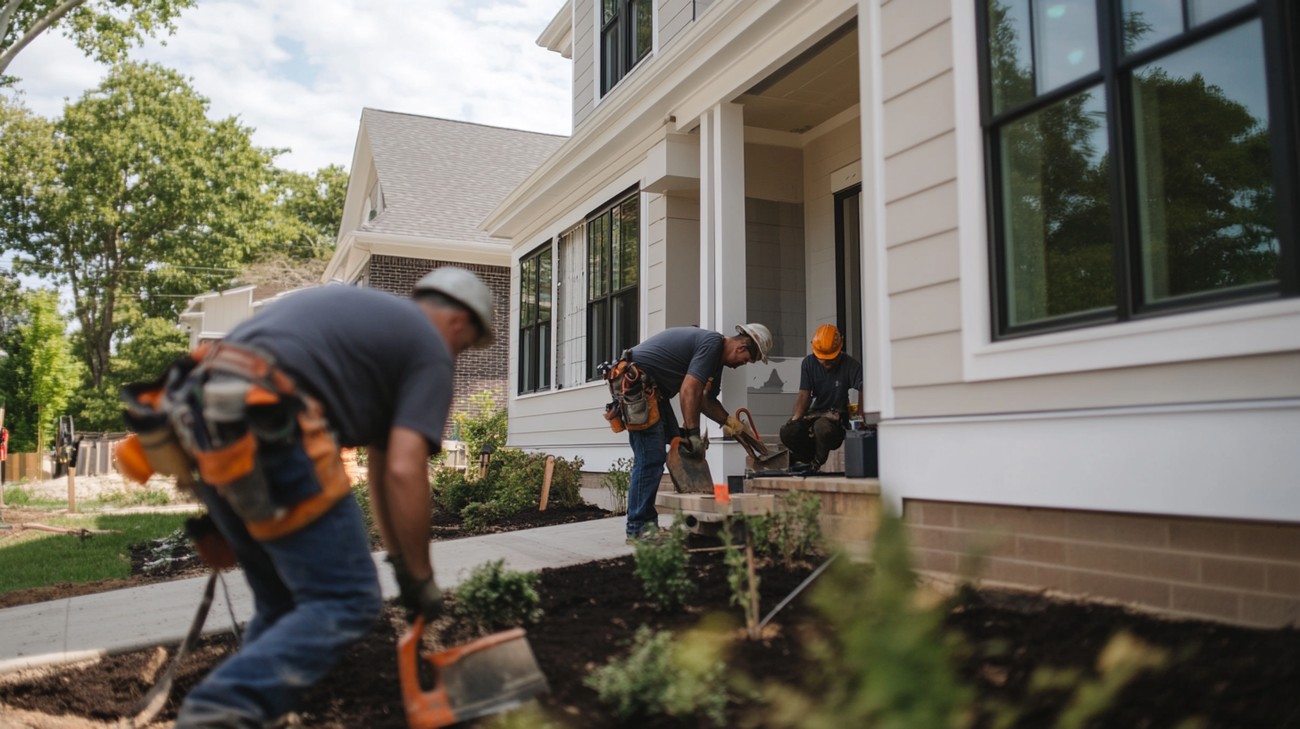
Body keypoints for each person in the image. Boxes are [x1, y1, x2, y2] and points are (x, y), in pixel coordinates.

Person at [134, 267, 495, 728]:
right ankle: (218, 713)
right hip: (270, 423)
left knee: (282, 603)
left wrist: (406, 565)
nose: (457, 356)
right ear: (460, 323)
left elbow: (387, 470)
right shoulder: (428, 344)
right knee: (348, 599)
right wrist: (422, 578)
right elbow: (408, 469)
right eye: (464, 348)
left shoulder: (374, 325)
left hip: (201, 425)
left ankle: (248, 715)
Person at [619, 322, 772, 543]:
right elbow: (689, 389)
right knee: (650, 457)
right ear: (741, 347)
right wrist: (693, 432)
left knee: (669, 445)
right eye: (746, 360)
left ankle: (646, 525)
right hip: (636, 383)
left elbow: (705, 400)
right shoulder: (711, 344)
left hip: (652, 389)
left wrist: (733, 426)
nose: (742, 365)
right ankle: (638, 529)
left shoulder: (715, 361)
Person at [779, 324, 864, 474]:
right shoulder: (808, 363)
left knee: (822, 427)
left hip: (837, 422)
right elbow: (804, 394)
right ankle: (805, 460)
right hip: (814, 414)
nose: (826, 363)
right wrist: (795, 421)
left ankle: (817, 465)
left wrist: (863, 420)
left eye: (830, 359)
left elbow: (865, 389)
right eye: (822, 359)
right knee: (788, 431)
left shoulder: (851, 366)